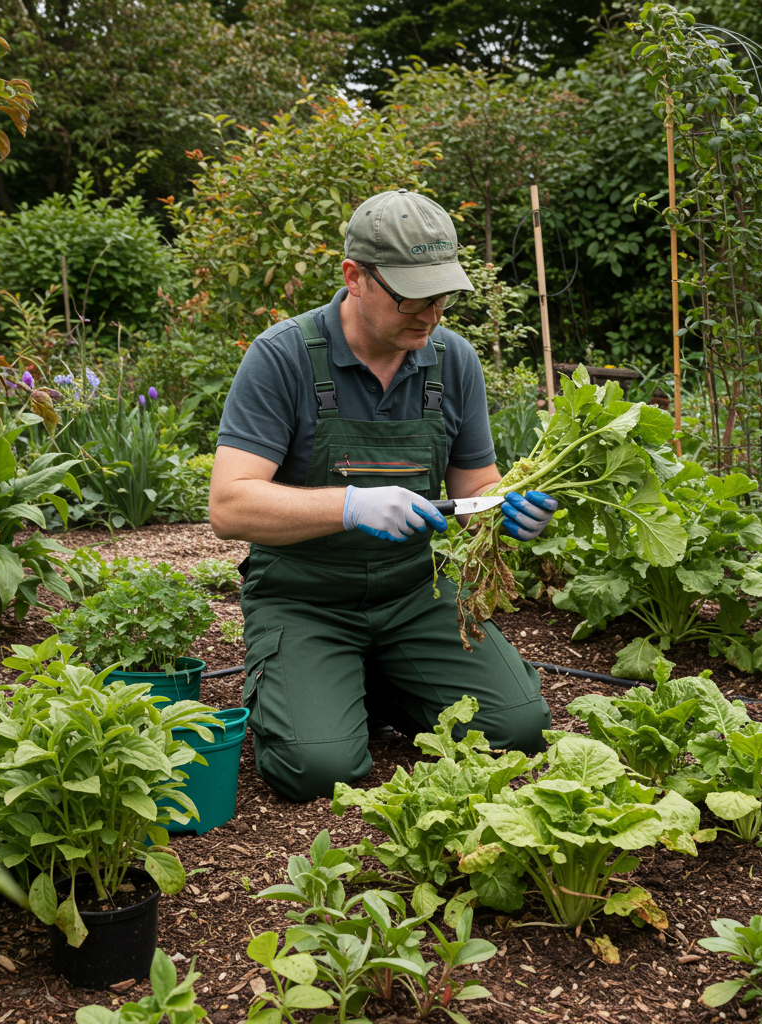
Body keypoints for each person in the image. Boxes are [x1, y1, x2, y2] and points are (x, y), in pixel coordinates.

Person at [209, 188, 558, 803]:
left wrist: (511, 509)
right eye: (410, 297)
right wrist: (349, 505)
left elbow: (476, 485)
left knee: (518, 729)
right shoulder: (283, 356)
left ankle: (378, 682)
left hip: (414, 596)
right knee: (318, 769)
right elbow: (230, 505)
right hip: (306, 600)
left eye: (442, 297)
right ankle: (326, 685)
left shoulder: (452, 361)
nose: (428, 314)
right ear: (354, 278)